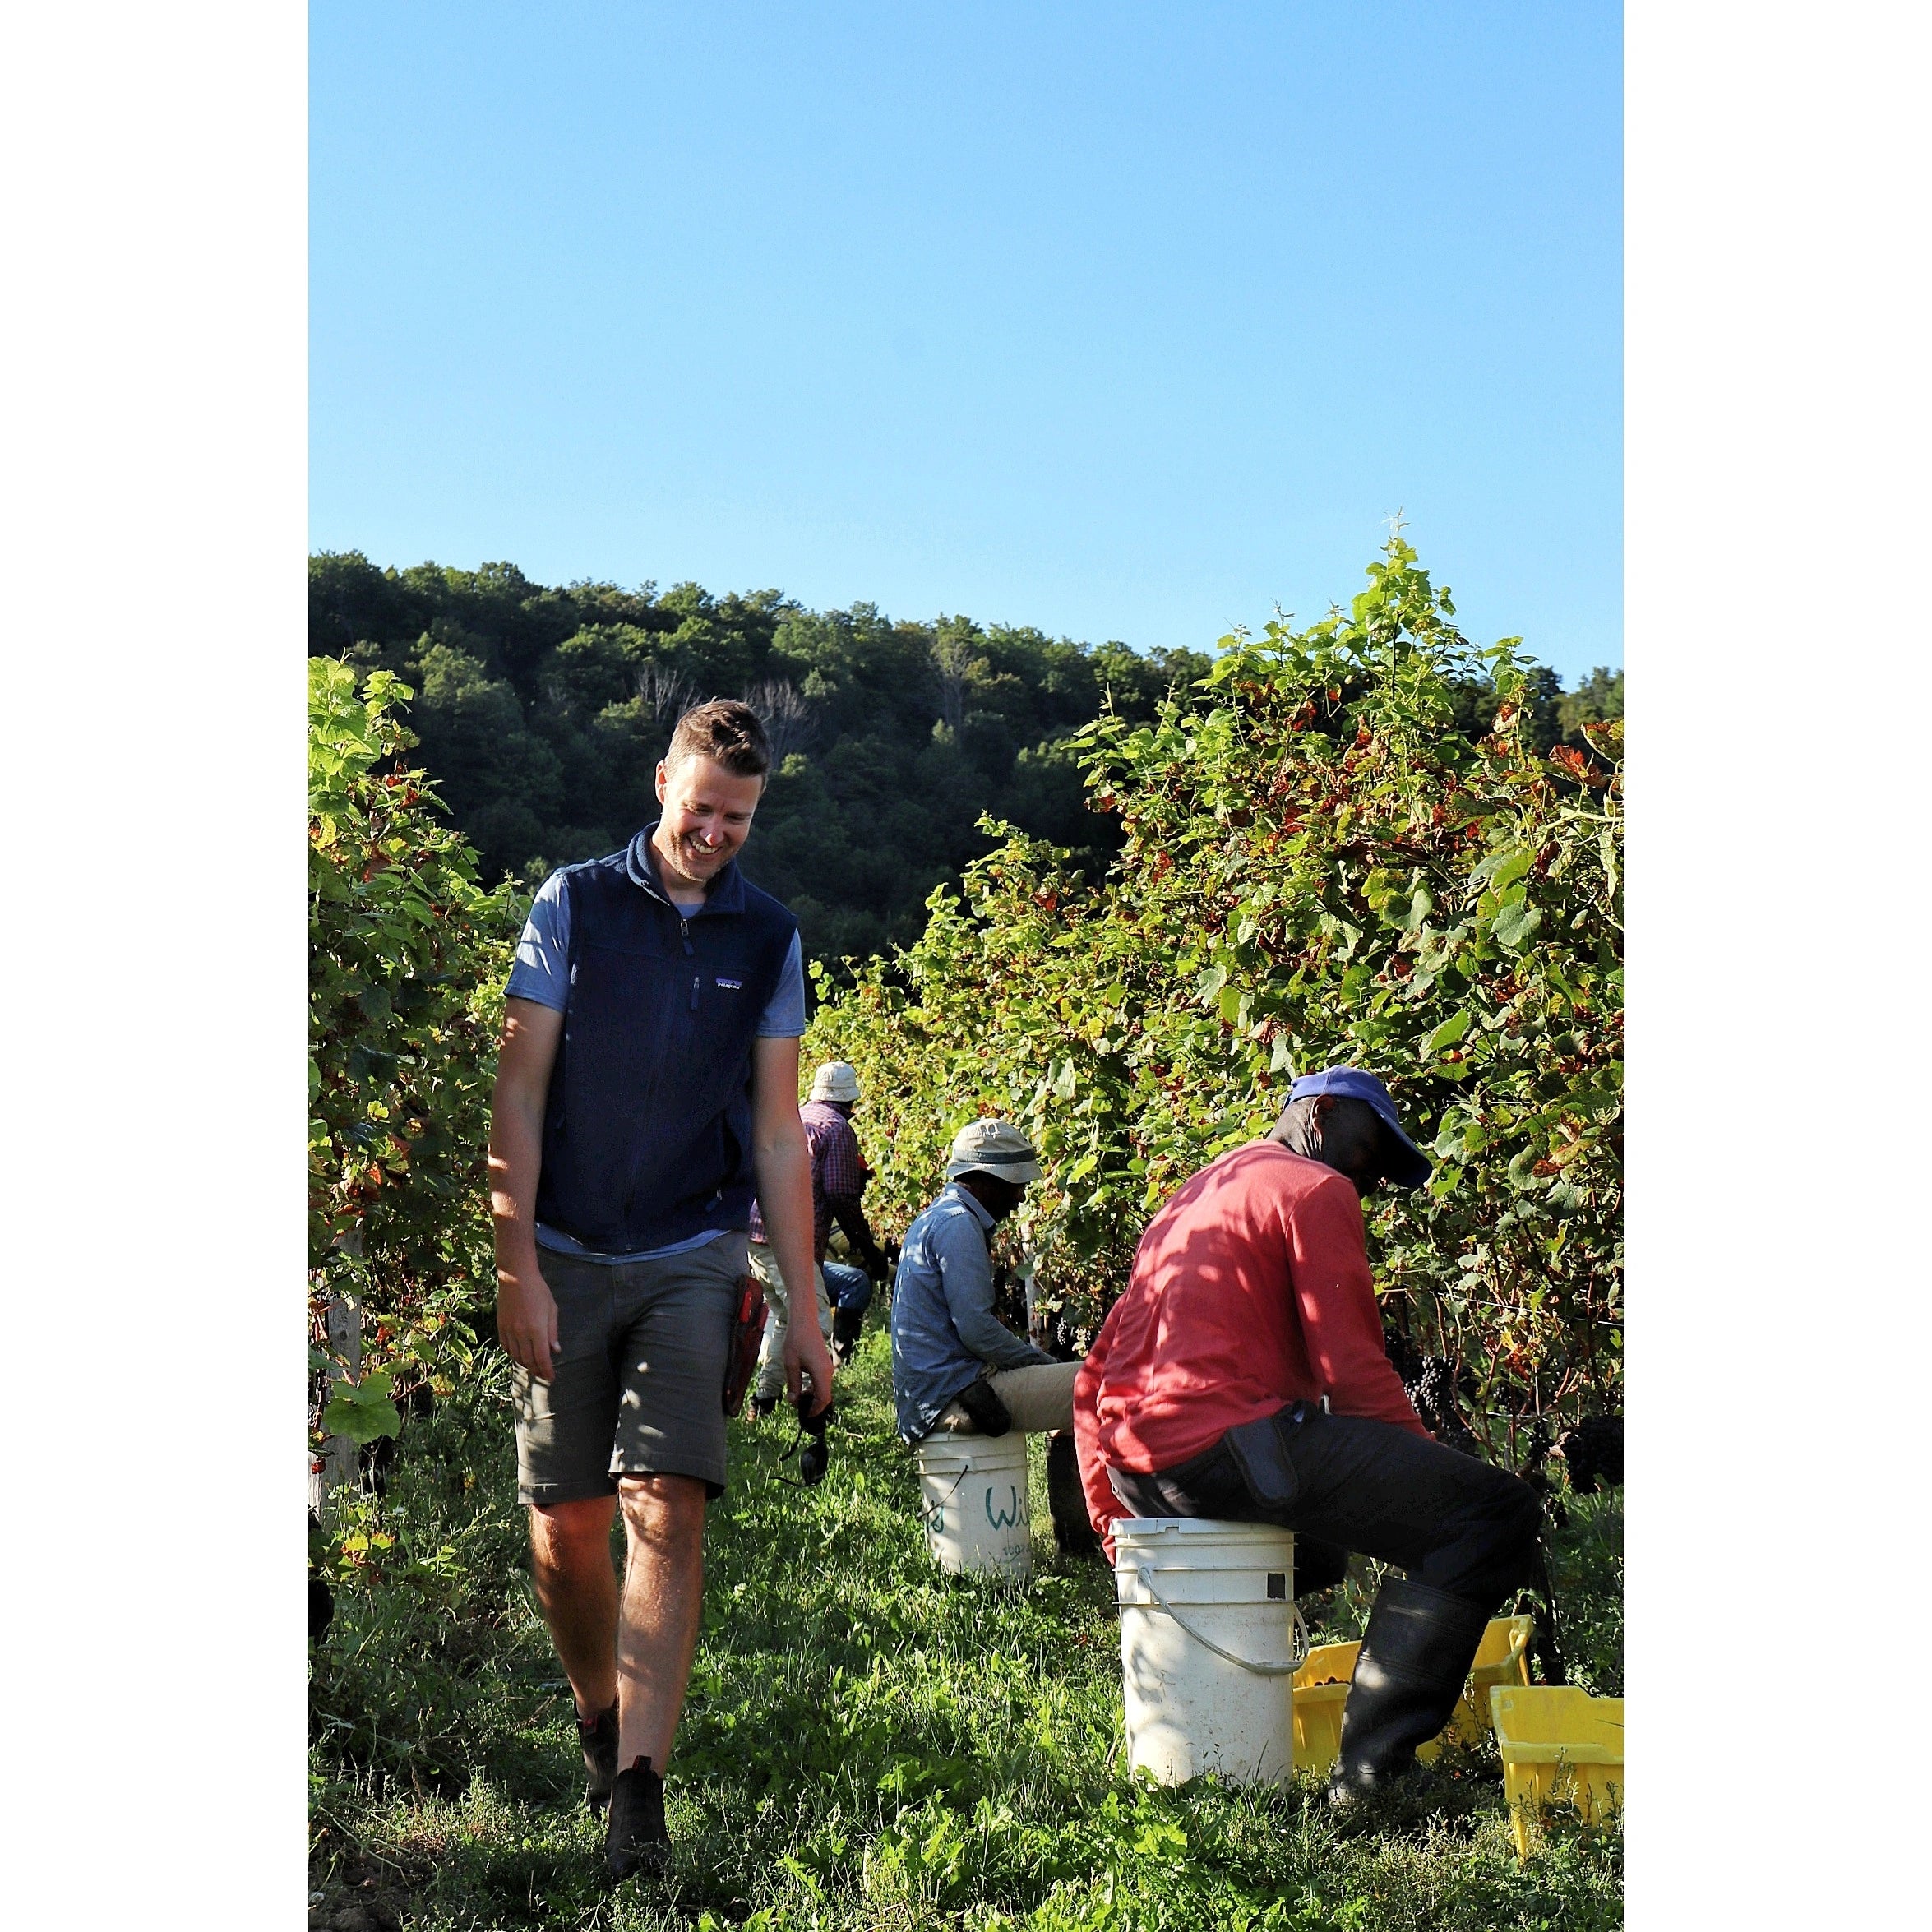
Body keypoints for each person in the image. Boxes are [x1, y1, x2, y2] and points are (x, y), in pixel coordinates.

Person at [488, 699, 834, 1881]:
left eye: (739, 817)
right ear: (659, 784)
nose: (718, 832)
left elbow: (781, 1135)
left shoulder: (768, 936)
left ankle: (640, 1783)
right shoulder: (570, 904)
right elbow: (521, 1089)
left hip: (694, 1247)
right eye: (702, 808)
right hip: (568, 1248)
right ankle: (597, 1711)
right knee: (566, 1523)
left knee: (664, 1502)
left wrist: (806, 1306)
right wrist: (515, 1262)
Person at [1072, 1066, 1542, 1809]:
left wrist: (1114, 1526)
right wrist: (1437, 1481)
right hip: (1227, 1448)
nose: (1372, 1177)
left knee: (1318, 1553)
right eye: (1371, 1149)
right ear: (1318, 1115)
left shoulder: (1191, 1198)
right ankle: (1370, 1782)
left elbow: (1092, 1379)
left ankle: (1230, 1751)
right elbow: (1352, 1373)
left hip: (1142, 1460)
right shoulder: (1314, 1188)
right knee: (1491, 1515)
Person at [890, 1119, 1096, 1554]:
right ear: (986, 1178)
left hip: (932, 1393)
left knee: (1070, 1402)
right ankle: (1082, 1541)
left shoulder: (936, 1218)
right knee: (1100, 1388)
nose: (1019, 1197)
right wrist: (1041, 1364)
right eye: (1014, 1184)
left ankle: (1075, 1536)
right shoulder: (959, 1226)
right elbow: (978, 1330)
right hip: (957, 1396)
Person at [746, 1060, 890, 1414]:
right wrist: (866, 1247)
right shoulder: (838, 1128)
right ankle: (812, 1403)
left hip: (755, 1234)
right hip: (788, 1240)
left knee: (785, 1317)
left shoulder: (799, 1115)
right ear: (850, 1103)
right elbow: (841, 1192)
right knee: (815, 1320)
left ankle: (764, 1399)